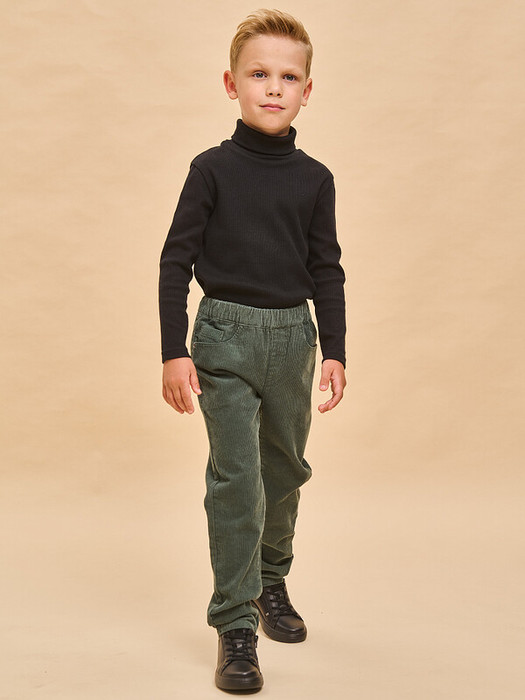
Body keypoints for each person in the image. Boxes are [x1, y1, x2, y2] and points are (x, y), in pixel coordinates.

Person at [159, 9, 346, 692]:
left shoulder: (315, 178)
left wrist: (335, 349)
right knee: (237, 479)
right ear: (231, 83)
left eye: (288, 77)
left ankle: (270, 580)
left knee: (284, 471)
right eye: (259, 74)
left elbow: (326, 267)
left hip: (293, 338)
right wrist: (173, 349)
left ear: (306, 91)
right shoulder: (210, 170)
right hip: (224, 339)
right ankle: (234, 622)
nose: (273, 87)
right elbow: (175, 262)